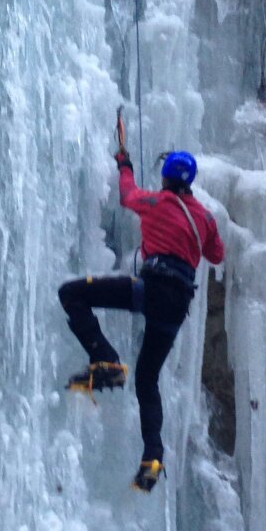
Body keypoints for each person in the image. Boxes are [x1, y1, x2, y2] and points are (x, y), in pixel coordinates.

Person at [59, 118, 224, 491]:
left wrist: (124, 162)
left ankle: (106, 358)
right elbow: (215, 255)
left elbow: (127, 194)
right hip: (177, 305)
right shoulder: (206, 219)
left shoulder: (156, 201)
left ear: (166, 178)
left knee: (72, 294)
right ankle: (153, 457)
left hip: (150, 290)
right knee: (148, 379)